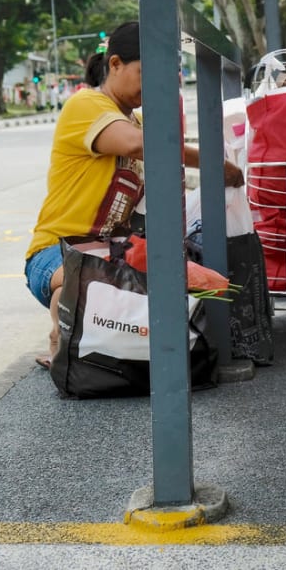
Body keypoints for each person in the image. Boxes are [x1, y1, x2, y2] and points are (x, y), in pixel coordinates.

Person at [25, 20, 244, 369]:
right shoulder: (87, 105)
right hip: (56, 254)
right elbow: (141, 145)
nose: (153, 85)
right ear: (115, 64)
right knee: (89, 281)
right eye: (145, 72)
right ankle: (61, 340)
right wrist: (214, 165)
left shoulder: (138, 122)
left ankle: (84, 336)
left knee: (184, 285)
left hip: (112, 256)